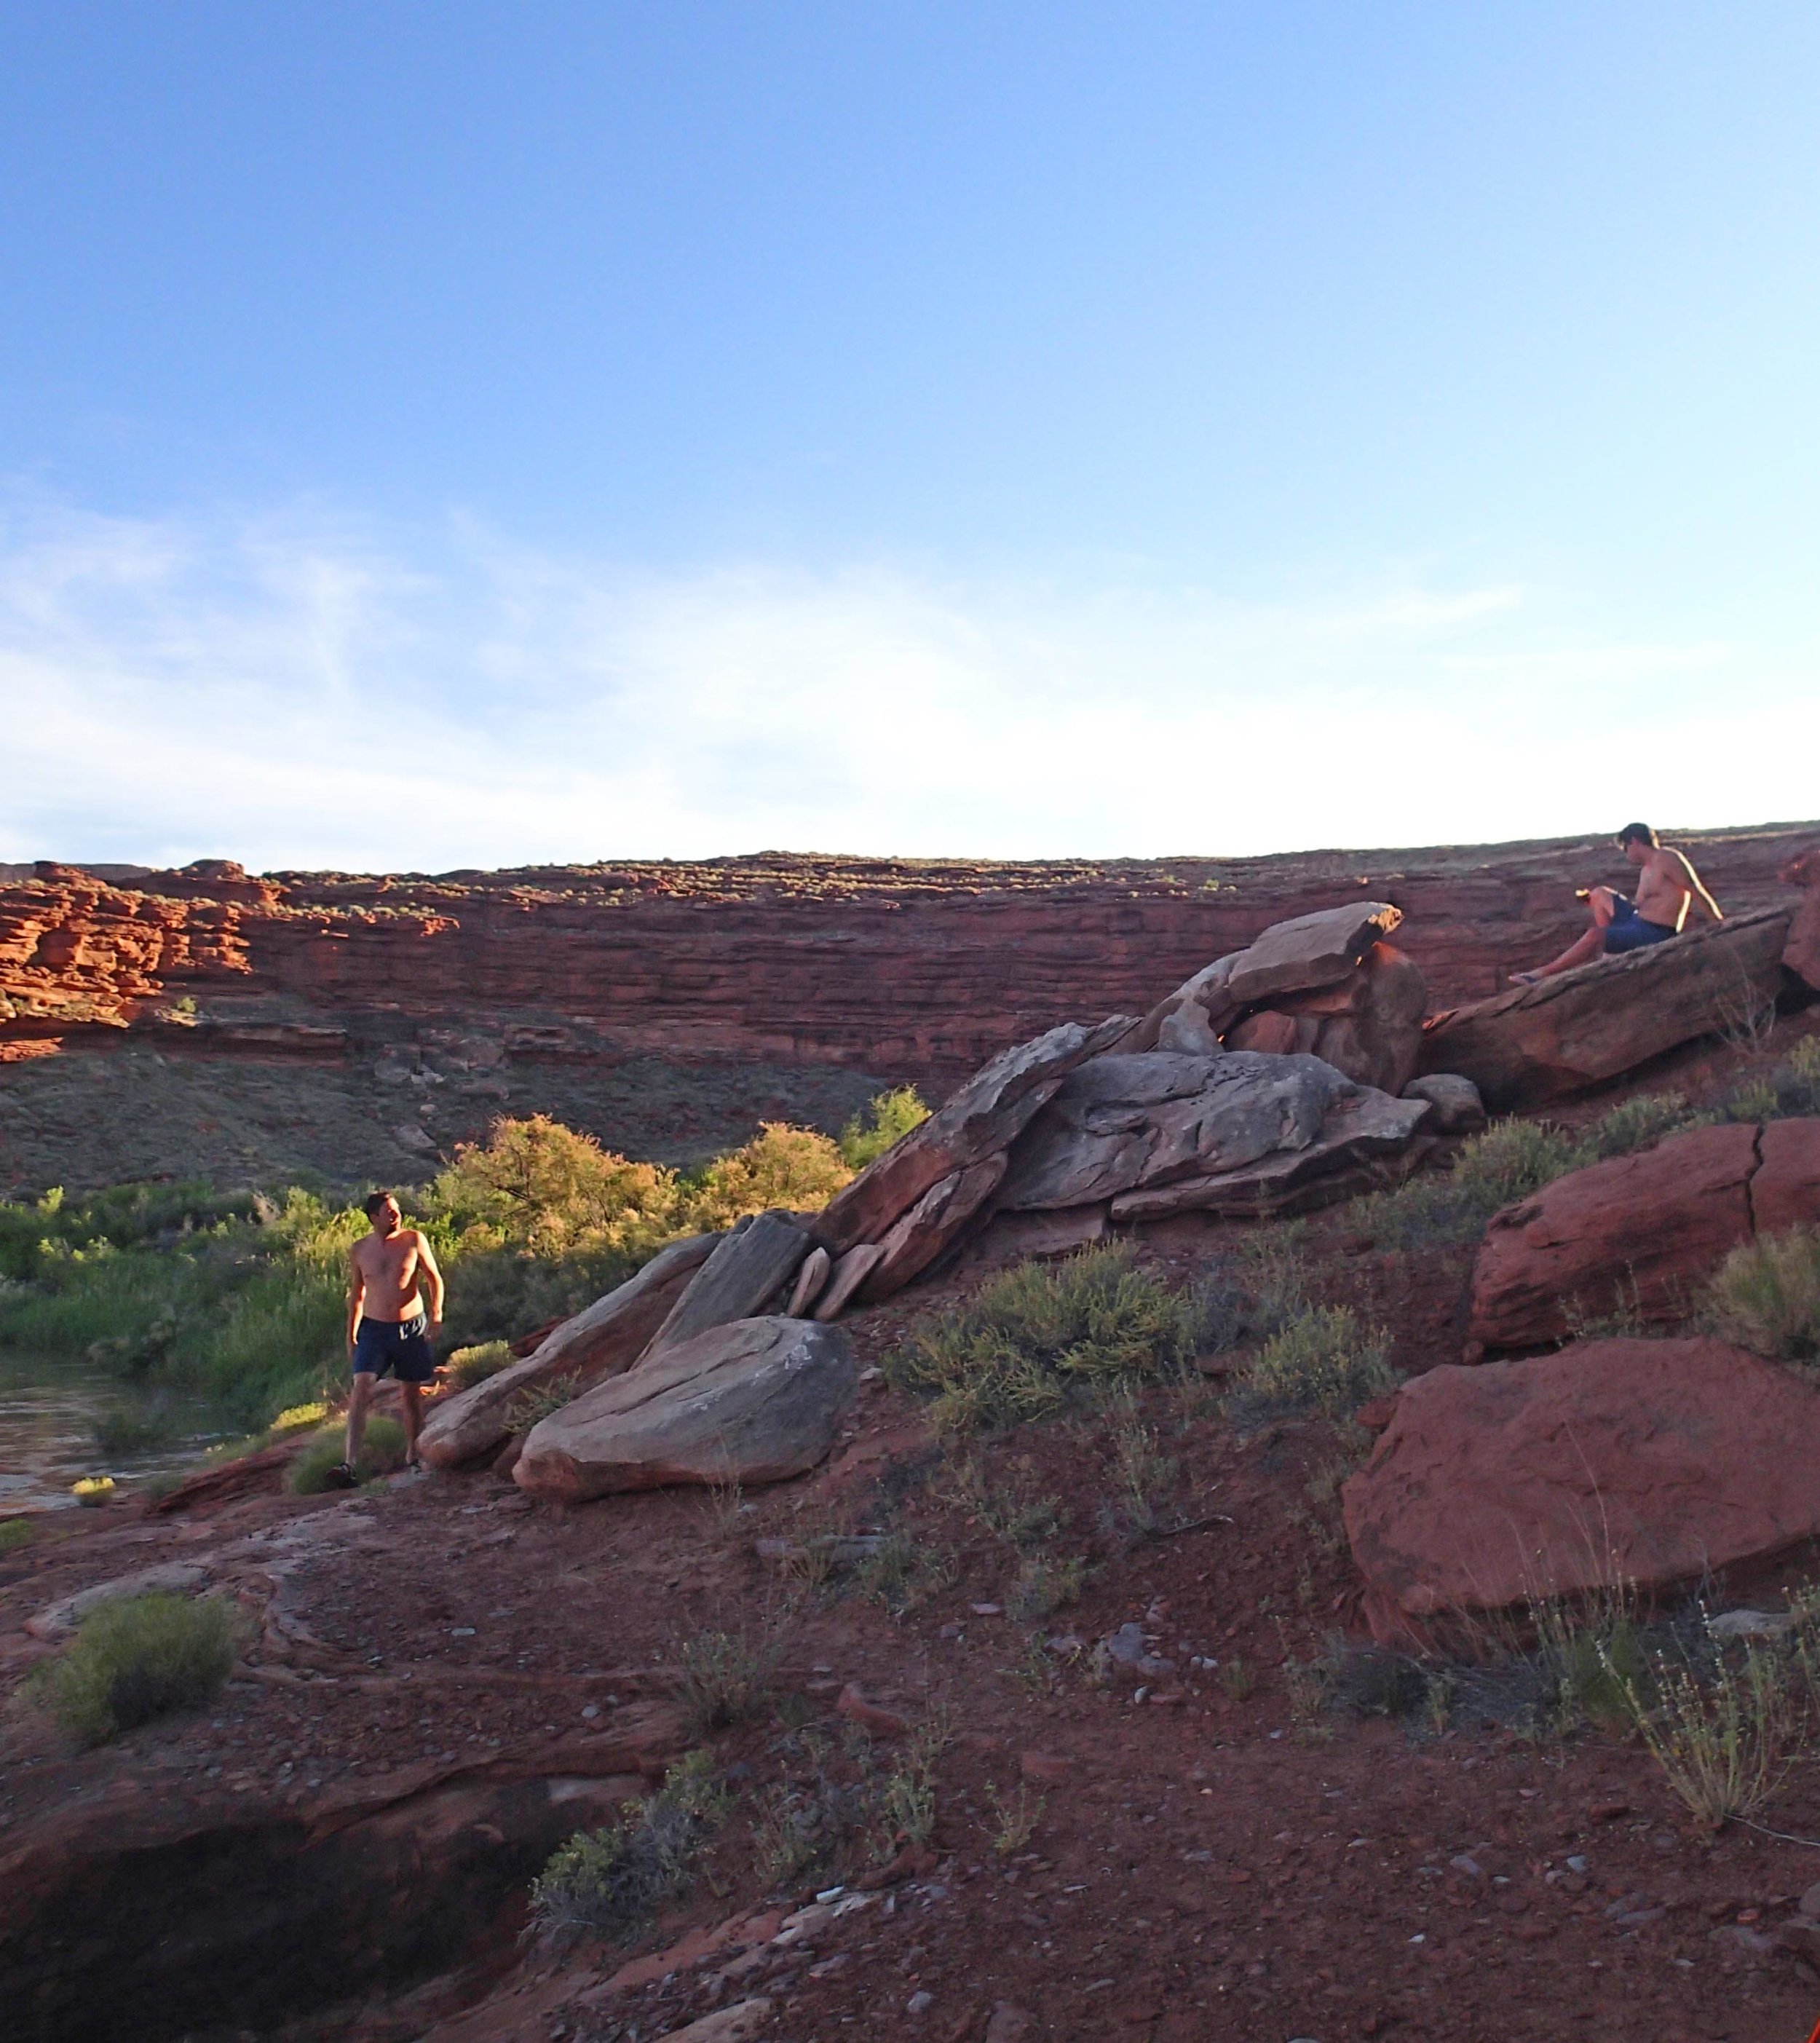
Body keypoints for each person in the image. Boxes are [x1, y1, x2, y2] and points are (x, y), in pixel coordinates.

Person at [1514, 823, 1724, 984]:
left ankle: (1539, 975)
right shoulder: (1646, 869)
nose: (1626, 854)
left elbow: (1695, 889)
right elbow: (1643, 904)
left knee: (1594, 935)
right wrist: (1591, 901)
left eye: (1625, 848)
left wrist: (1720, 925)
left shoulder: (1666, 858)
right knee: (1599, 893)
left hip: (1656, 932)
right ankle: (1610, 954)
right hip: (1636, 922)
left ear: (1634, 842)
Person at [332, 1188, 445, 1482]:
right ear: (374, 1218)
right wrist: (351, 1335)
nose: (397, 1215)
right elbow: (357, 1294)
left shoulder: (414, 1240)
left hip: (411, 1328)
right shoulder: (359, 1249)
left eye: (397, 1210)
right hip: (374, 1329)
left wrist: (436, 1315)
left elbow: (435, 1279)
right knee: (361, 1388)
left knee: (410, 1394)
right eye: (390, 1212)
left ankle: (413, 1455)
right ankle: (350, 1464)